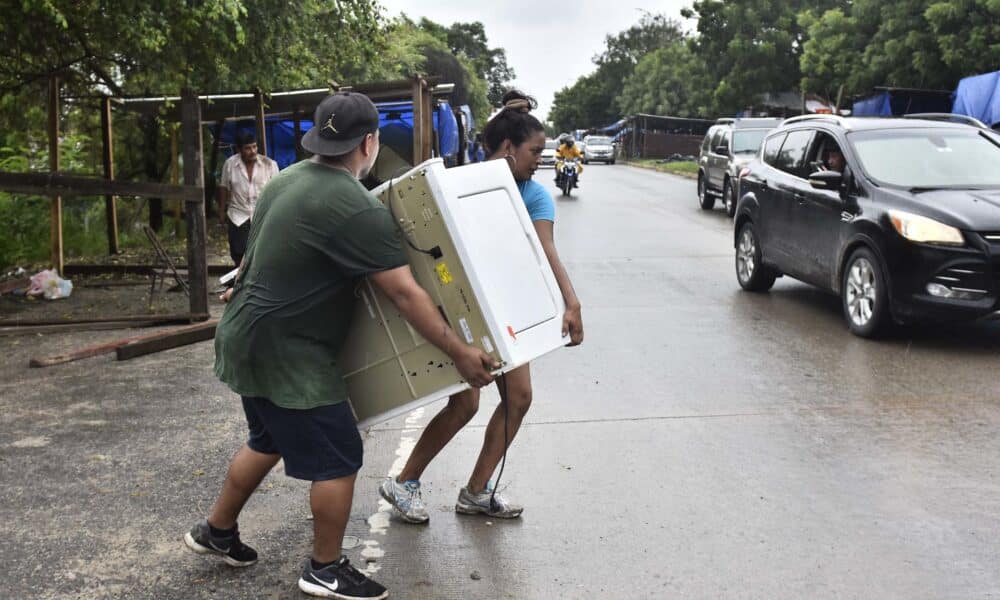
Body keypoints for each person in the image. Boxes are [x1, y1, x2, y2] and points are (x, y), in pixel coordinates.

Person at [184, 92, 498, 600]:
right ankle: (324, 568)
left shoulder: (282, 179)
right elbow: (402, 292)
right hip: (289, 351)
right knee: (339, 454)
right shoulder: (354, 206)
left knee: (268, 438)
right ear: (369, 143)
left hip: (244, 336)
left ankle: (216, 531)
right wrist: (460, 351)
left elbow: (256, 255)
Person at [379, 89, 584, 523]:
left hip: (506, 308)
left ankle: (476, 490)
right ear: (507, 149)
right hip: (458, 308)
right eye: (534, 151)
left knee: (519, 397)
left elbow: (547, 252)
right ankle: (405, 482)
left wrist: (571, 301)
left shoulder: (534, 195)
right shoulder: (456, 185)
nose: (539, 160)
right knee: (465, 403)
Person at [218, 129, 279, 266]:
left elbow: (277, 190)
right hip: (238, 215)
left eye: (254, 146)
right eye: (247, 148)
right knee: (239, 255)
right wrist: (221, 212)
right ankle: (241, 285)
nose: (252, 151)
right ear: (239, 149)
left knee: (263, 253)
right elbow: (223, 187)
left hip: (262, 215)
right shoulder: (230, 165)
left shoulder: (269, 165)